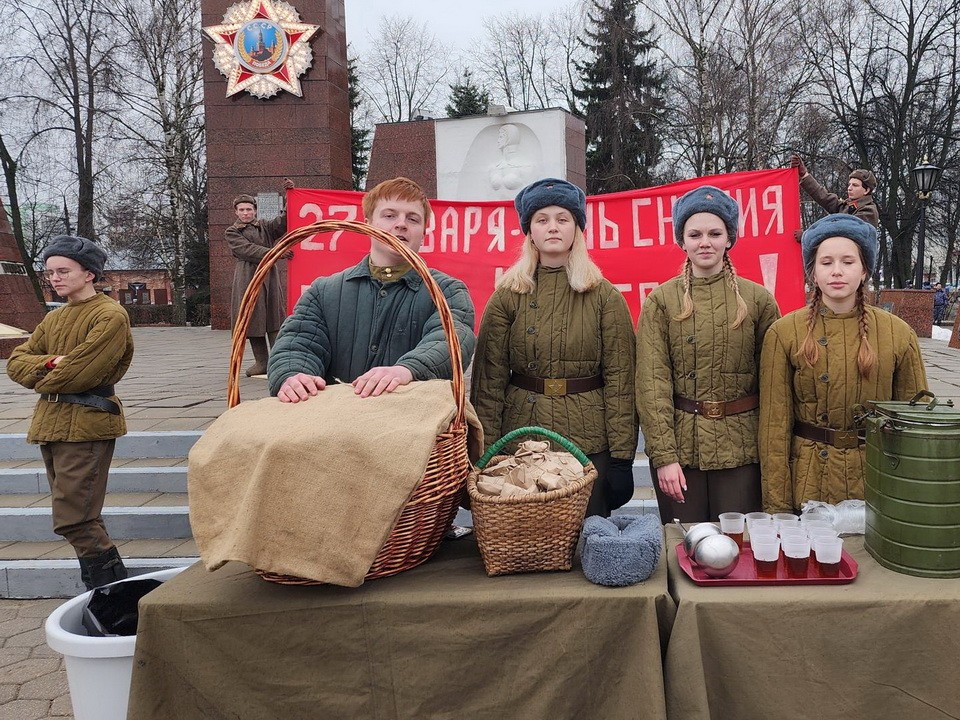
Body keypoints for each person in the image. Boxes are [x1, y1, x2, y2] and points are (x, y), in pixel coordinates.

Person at [471, 178, 638, 517]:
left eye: (563, 219)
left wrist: (622, 458)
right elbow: (489, 383)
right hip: (522, 440)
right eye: (542, 219)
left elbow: (622, 383)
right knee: (530, 544)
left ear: (577, 229)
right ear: (529, 231)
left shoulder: (604, 297)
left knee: (585, 545)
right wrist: (483, 453)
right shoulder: (507, 296)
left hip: (589, 442)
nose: (553, 228)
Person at [759, 214, 928, 513]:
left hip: (875, 482)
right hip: (808, 481)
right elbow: (774, 428)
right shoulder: (784, 332)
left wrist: (910, 495)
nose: (837, 272)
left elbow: (914, 426)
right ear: (812, 272)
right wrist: (777, 506)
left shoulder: (898, 333)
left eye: (848, 262)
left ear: (864, 270)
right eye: (826, 263)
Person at [636, 185, 781, 524]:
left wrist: (771, 455)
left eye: (715, 233)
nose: (705, 242)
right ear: (681, 240)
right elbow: (651, 384)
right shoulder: (661, 302)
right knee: (688, 548)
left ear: (729, 237)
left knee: (739, 549)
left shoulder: (758, 301)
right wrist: (664, 457)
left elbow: (774, 385)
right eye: (695, 234)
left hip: (742, 452)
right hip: (682, 454)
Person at [267, 176, 476, 401]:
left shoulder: (447, 292)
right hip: (333, 423)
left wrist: (407, 370)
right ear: (367, 224)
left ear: (423, 233)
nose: (401, 224)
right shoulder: (324, 291)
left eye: (413, 219)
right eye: (389, 215)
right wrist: (293, 375)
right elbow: (297, 342)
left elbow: (451, 340)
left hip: (413, 421)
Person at [7, 235, 134, 590]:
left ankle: (112, 592)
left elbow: (78, 373)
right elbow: (15, 363)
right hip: (51, 424)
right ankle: (108, 595)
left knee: (73, 518)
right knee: (80, 517)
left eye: (64, 270)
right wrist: (48, 361)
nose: (55, 278)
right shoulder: (55, 319)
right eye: (50, 272)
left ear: (89, 273)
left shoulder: (110, 315)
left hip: (88, 424)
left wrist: (47, 372)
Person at [226, 178, 294, 377]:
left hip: (268, 277)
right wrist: (277, 252)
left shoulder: (265, 226)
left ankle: (278, 359)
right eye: (241, 210)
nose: (246, 213)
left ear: (254, 210)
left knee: (274, 317)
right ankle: (261, 362)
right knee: (253, 319)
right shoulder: (232, 231)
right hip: (247, 277)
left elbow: (284, 222)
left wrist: (290, 196)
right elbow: (246, 250)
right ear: (236, 212)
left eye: (249, 209)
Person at [790, 154, 879, 227]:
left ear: (866, 190)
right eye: (849, 184)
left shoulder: (868, 211)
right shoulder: (846, 206)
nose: (849, 188)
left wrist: (807, 235)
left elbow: (843, 229)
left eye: (855, 185)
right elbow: (823, 197)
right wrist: (804, 174)